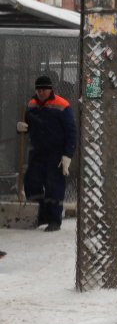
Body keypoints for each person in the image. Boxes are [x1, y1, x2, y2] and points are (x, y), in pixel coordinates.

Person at [16, 75, 77, 232]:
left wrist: (67, 155)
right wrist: (22, 128)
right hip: (37, 151)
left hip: (56, 152)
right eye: (39, 89)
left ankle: (54, 220)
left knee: (54, 186)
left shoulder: (62, 105)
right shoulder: (31, 104)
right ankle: (42, 215)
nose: (41, 92)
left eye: (44, 89)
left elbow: (71, 131)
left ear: (51, 89)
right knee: (31, 183)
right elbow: (29, 125)